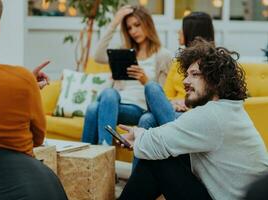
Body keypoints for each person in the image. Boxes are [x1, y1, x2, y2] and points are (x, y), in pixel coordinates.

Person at [117, 38, 268, 200]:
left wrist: (138, 134)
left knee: (158, 162)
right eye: (186, 75)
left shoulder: (212, 115)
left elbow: (156, 144)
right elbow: (164, 140)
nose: (185, 81)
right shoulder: (227, 109)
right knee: (169, 153)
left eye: (194, 74)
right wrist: (140, 134)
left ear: (216, 80)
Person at [0, 0, 67, 199]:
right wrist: (24, 87)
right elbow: (37, 139)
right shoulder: (21, 79)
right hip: (26, 188)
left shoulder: (23, 81)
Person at [131, 11, 215, 169]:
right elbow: (165, 95)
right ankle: (142, 175)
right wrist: (172, 102)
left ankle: (176, 156)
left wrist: (186, 102)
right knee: (152, 91)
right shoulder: (178, 62)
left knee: (147, 117)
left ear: (192, 31)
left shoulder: (212, 62)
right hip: (171, 110)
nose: (178, 32)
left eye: (181, 29)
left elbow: (211, 98)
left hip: (192, 113)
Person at [82, 5, 172, 145]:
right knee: (106, 97)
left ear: (147, 23)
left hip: (138, 109)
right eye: (129, 28)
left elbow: (161, 97)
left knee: (94, 108)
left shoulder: (162, 55)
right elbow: (99, 56)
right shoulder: (125, 52)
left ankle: (103, 150)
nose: (133, 31)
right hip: (113, 102)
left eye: (137, 25)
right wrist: (115, 22)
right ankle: (91, 155)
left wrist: (145, 80)